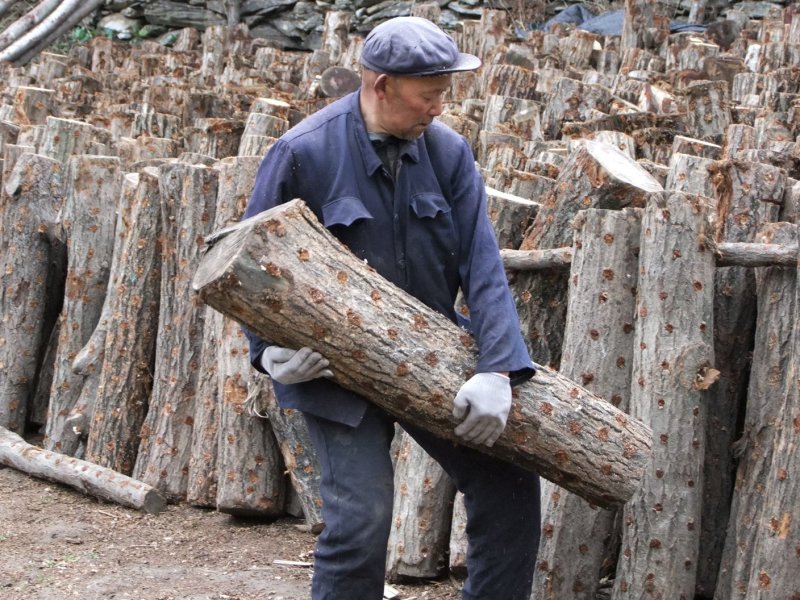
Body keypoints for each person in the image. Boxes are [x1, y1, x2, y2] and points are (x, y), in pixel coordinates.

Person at [243, 16, 540, 600]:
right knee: (362, 519)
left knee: (509, 484)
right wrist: (269, 352)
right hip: (330, 370)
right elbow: (250, 263)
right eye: (428, 95)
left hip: (429, 353)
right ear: (382, 86)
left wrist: (497, 369)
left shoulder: (449, 153)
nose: (438, 108)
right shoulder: (302, 152)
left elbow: (481, 263)